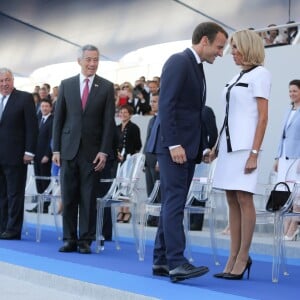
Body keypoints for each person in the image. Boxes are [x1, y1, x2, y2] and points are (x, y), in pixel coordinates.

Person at [146, 22, 228, 283]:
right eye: (218, 47)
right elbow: (166, 105)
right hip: (174, 148)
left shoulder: (196, 66)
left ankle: (161, 260)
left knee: (174, 202)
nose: (220, 52)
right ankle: (177, 263)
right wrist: (173, 144)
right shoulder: (179, 61)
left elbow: (193, 112)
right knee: (174, 203)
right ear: (204, 41)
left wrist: (201, 146)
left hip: (186, 148)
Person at [211, 29, 271, 280]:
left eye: (236, 47)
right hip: (227, 149)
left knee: (245, 200)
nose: (231, 52)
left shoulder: (261, 74)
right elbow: (228, 116)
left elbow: (263, 117)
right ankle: (232, 255)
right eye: (231, 47)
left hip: (246, 149)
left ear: (249, 47)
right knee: (231, 200)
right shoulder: (236, 76)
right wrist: (214, 148)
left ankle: (243, 256)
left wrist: (255, 153)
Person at [52, 44, 115, 254]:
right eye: (88, 59)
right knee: (69, 196)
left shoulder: (106, 87)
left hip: (93, 152)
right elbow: (58, 120)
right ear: (80, 61)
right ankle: (69, 238)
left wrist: (104, 151)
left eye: (96, 59)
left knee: (88, 198)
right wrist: (56, 150)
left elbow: (108, 123)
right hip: (68, 150)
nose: (92, 64)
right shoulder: (66, 85)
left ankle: (85, 240)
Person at [0, 68, 38, 240]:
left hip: (16, 155)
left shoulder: (24, 98)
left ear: (13, 80)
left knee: (14, 194)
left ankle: (13, 229)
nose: (4, 84)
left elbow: (32, 127)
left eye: (7, 80)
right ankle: (2, 226)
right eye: (1, 81)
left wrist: (29, 151)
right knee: (1, 193)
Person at [274, 79, 300, 241]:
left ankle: (294, 227)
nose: (291, 94)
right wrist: (277, 157)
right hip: (284, 157)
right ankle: (284, 229)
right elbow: (282, 137)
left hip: (297, 158)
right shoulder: (288, 111)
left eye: (295, 91)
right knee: (283, 192)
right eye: (290, 91)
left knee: (297, 194)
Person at [189, 105, 218, 231]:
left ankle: (197, 222)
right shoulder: (187, 110)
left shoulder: (206, 110)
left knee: (200, 189)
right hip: (189, 155)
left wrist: (208, 150)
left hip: (202, 157)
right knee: (190, 188)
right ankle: (189, 220)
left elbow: (213, 133)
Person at [26, 98, 54, 213]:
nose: (44, 108)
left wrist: (48, 154)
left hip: (45, 157)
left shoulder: (53, 121)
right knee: (38, 181)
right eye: (42, 106)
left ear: (50, 107)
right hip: (36, 156)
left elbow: (52, 139)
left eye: (46, 106)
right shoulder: (38, 119)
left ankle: (45, 206)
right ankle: (40, 205)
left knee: (45, 182)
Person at [116, 104, 142, 223]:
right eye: (121, 112)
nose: (123, 114)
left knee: (127, 186)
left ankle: (127, 211)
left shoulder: (134, 127)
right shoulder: (116, 127)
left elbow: (138, 146)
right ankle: (121, 209)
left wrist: (131, 159)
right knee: (119, 186)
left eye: (126, 112)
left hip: (129, 160)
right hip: (118, 160)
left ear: (130, 114)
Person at [144, 93, 160, 226]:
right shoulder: (151, 120)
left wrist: (160, 160)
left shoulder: (163, 119)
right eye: (152, 101)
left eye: (155, 101)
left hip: (158, 160)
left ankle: (159, 217)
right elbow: (147, 141)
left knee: (158, 190)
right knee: (150, 190)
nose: (152, 104)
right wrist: (144, 159)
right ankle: (152, 217)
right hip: (149, 159)